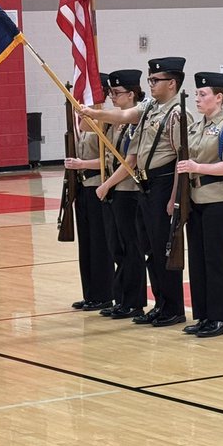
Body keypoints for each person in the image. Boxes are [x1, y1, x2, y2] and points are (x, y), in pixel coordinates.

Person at [81, 56, 187, 327]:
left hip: (164, 182)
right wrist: (95, 114)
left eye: (156, 79)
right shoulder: (151, 107)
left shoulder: (177, 113)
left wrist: (174, 197)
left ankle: (173, 307)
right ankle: (160, 304)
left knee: (163, 250)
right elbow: (124, 116)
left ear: (172, 83)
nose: (150, 83)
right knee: (150, 248)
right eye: (150, 79)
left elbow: (180, 158)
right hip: (147, 184)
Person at [176, 72, 223, 339]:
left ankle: (220, 318)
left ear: (219, 97)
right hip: (195, 199)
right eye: (196, 94)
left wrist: (197, 167)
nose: (197, 98)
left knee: (216, 259)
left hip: (219, 199)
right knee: (198, 260)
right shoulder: (196, 127)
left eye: (203, 94)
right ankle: (204, 315)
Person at [95, 69, 148, 321]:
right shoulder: (113, 122)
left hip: (128, 191)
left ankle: (134, 302)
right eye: (110, 93)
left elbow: (130, 162)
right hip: (114, 191)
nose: (112, 97)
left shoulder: (137, 121)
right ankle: (121, 299)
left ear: (132, 94)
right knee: (116, 248)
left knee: (131, 249)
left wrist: (107, 185)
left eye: (116, 93)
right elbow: (84, 126)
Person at [64, 75, 115, 312]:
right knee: (86, 243)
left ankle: (104, 294)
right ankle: (90, 293)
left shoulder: (106, 120)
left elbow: (110, 158)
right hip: (83, 187)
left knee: (99, 243)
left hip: (98, 185)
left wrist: (82, 164)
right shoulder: (83, 121)